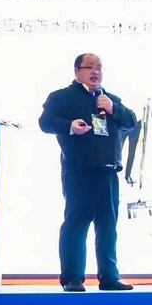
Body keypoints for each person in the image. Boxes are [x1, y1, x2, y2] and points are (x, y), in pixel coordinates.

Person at [39, 53, 138, 292]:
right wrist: (69, 127)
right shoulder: (62, 97)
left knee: (108, 227)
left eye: (99, 68)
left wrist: (113, 108)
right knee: (77, 224)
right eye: (90, 67)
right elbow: (45, 122)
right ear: (77, 71)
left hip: (108, 172)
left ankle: (109, 277)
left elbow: (131, 122)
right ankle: (72, 278)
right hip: (79, 171)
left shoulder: (109, 99)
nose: (96, 72)